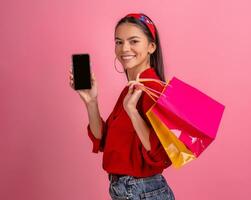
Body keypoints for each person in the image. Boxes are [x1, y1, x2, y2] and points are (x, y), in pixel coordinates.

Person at [69, 13, 175, 200]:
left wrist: (133, 112)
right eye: (119, 42)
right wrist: (91, 101)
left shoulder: (154, 90)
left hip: (143, 191)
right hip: (126, 189)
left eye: (133, 41)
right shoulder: (131, 90)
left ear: (151, 46)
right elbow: (103, 139)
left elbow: (159, 155)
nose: (124, 48)